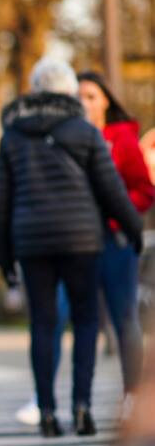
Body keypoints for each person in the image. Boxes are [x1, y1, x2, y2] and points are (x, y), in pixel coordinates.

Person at [0, 57, 142, 438]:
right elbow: (112, 191)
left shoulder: (13, 135)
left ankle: (46, 412)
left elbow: (0, 203)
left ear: (36, 90)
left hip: (32, 244)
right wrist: (133, 229)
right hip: (81, 241)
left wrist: (3, 257)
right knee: (87, 321)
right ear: (70, 92)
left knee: (43, 324)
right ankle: (82, 407)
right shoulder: (85, 132)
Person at [78, 71, 154, 401]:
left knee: (124, 318)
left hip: (115, 240)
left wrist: (118, 213)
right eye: (78, 97)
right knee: (80, 320)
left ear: (105, 100)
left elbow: (145, 190)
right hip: (78, 240)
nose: (84, 103)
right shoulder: (70, 137)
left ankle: (133, 395)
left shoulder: (121, 138)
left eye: (91, 96)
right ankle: (74, 401)